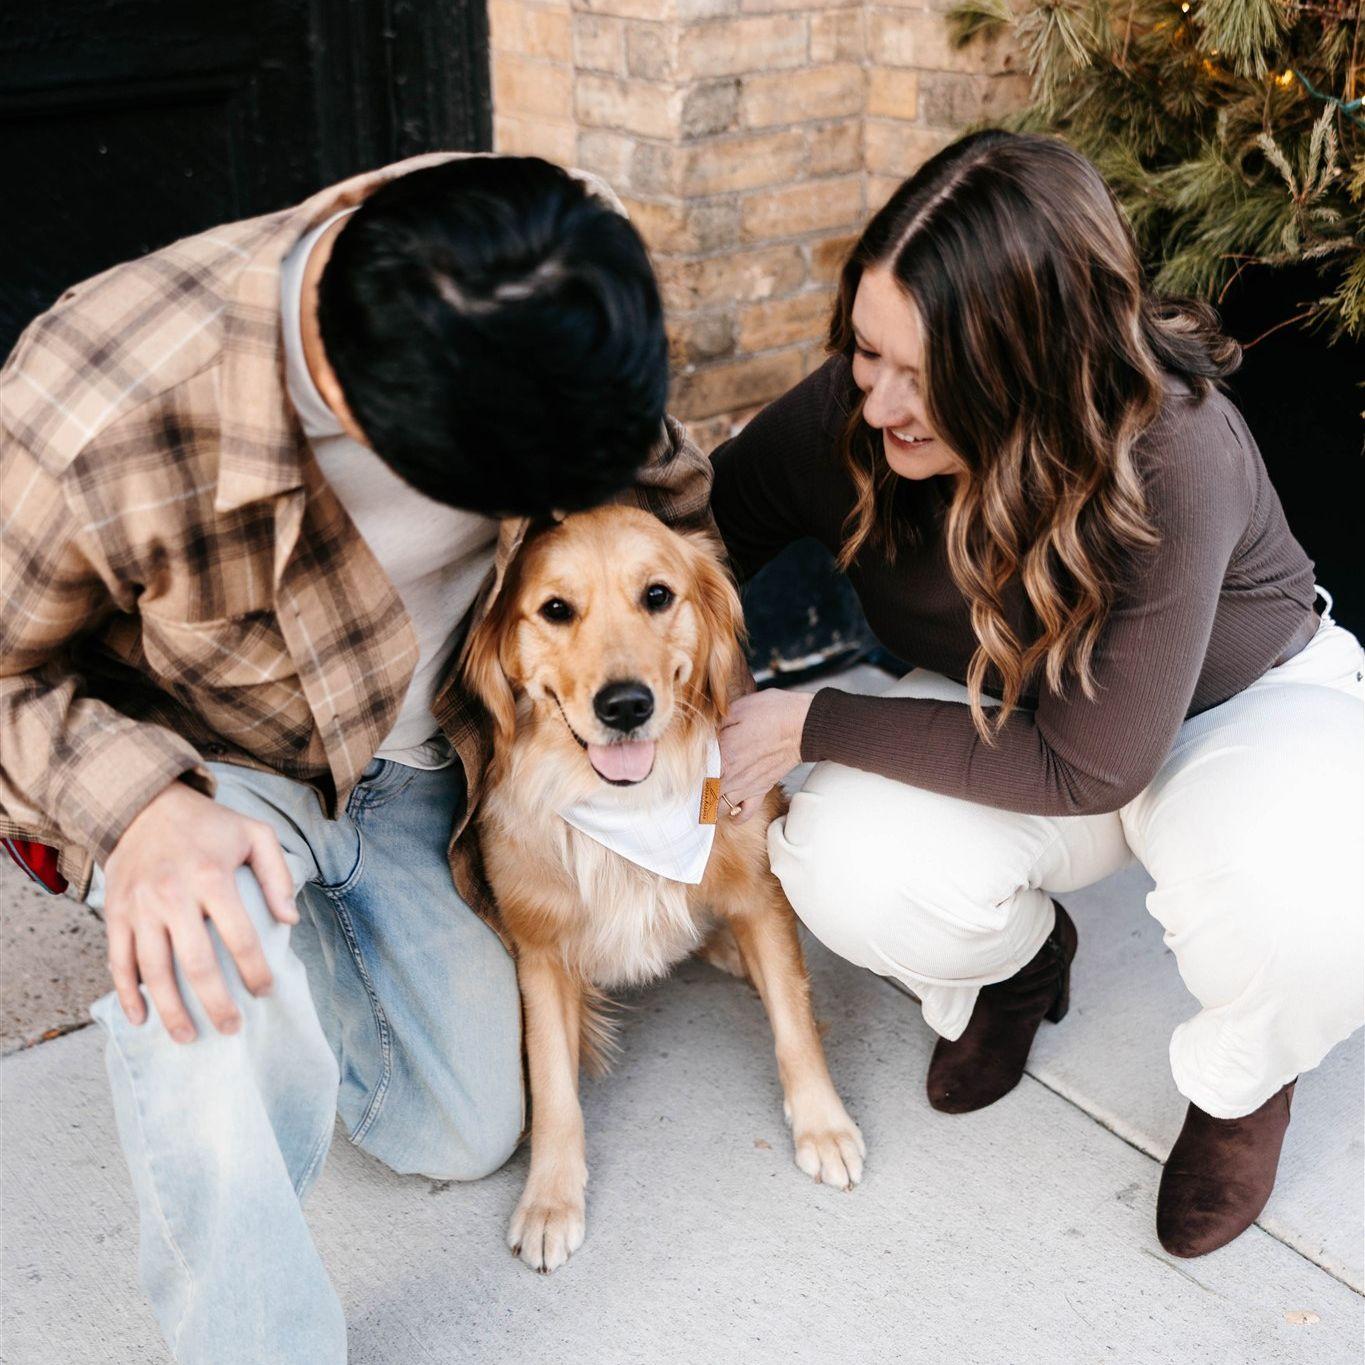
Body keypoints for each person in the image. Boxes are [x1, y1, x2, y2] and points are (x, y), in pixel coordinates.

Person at [0, 152, 713, 1362]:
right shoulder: (94, 414)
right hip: (211, 776)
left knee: (466, 1133)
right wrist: (137, 814)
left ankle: (318, 944)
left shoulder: (544, 290)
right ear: (362, 419)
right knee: (207, 986)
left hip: (432, 767)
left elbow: (673, 502)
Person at [710, 130, 1364, 1259]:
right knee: (843, 862)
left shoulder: (1173, 445)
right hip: (1019, 714)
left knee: (1314, 916)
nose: (879, 402)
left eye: (926, 376)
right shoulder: (853, 418)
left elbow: (1093, 765)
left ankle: (1243, 1079)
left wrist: (811, 719)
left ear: (1030, 364)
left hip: (1236, 709)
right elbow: (695, 536)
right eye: (866, 351)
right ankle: (1020, 969)